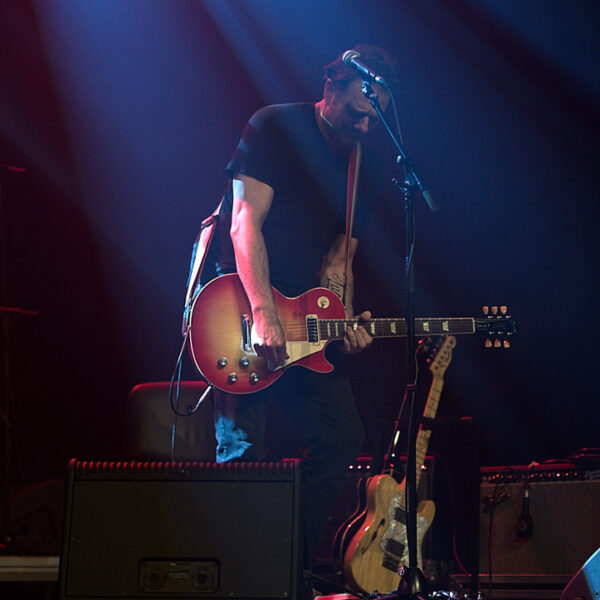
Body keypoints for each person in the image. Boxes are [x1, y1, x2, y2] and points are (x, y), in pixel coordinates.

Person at [199, 45, 396, 592]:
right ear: (330, 88)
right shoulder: (276, 127)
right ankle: (236, 579)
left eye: (372, 116)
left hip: (303, 325)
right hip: (241, 308)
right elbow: (244, 224)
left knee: (340, 436)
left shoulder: (366, 166)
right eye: (355, 110)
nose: (362, 124)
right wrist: (263, 314)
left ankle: (288, 568)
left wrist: (347, 322)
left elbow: (339, 261)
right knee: (242, 448)